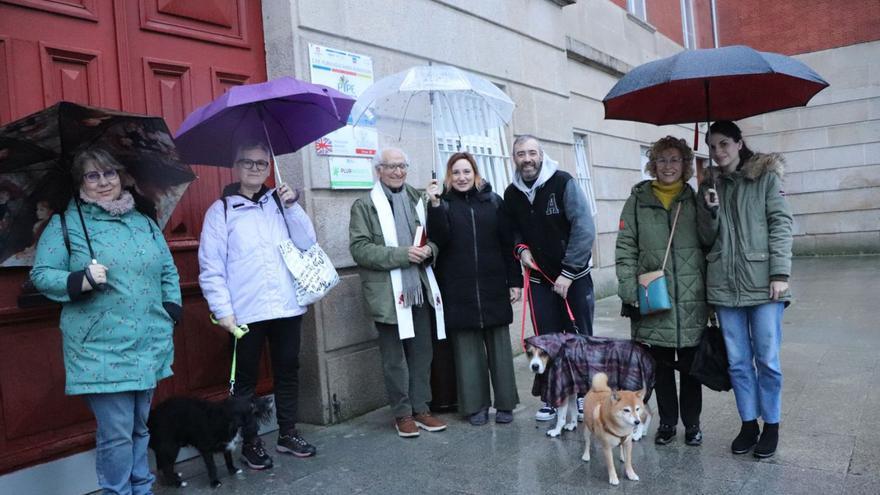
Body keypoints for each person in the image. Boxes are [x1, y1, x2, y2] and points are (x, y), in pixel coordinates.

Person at [31, 148, 182, 495]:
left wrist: (171, 308)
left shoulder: (144, 222)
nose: (103, 182)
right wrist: (80, 280)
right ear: (80, 182)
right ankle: (118, 491)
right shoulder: (66, 224)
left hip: (148, 339)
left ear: (122, 176)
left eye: (109, 173)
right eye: (93, 175)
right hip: (99, 345)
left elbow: (168, 269)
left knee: (140, 427)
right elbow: (42, 274)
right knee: (116, 431)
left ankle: (141, 488)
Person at [198, 141, 318, 470]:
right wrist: (223, 310)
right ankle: (251, 440)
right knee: (245, 382)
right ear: (235, 166)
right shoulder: (220, 211)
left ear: (269, 167)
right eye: (247, 162)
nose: (254, 168)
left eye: (261, 164)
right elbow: (211, 268)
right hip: (245, 312)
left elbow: (308, 243)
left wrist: (293, 206)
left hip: (286, 307)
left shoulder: (280, 204)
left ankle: (288, 432)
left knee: (288, 371)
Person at [699, 120, 793, 459]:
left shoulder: (766, 178)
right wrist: (709, 211)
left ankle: (772, 425)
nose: (718, 152)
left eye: (724, 143)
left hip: (764, 282)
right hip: (725, 285)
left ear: (740, 143)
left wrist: (780, 272)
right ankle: (748, 423)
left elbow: (781, 224)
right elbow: (706, 239)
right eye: (712, 146)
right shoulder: (710, 186)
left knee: (767, 359)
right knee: (738, 362)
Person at [349, 147, 448, 438]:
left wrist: (430, 250)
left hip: (419, 288)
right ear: (378, 170)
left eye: (402, 166)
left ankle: (422, 409)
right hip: (387, 294)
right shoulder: (364, 205)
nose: (398, 171)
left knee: (422, 352)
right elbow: (360, 249)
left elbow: (435, 238)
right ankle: (402, 413)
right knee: (394, 358)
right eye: (391, 166)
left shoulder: (419, 199)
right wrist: (404, 255)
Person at [615, 136, 709, 446]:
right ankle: (667, 423)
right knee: (662, 369)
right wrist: (629, 290)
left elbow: (711, 242)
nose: (668, 166)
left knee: (692, 369)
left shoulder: (695, 199)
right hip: (654, 297)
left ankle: (692, 425)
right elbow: (625, 247)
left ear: (685, 165)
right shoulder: (637, 200)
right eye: (662, 160)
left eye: (675, 160)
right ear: (653, 165)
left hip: (692, 298)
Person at [503, 134, 596, 422]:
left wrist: (568, 273)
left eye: (532, 152)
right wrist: (521, 250)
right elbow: (511, 230)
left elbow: (584, 227)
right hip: (539, 279)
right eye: (521, 154)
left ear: (541, 155)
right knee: (546, 341)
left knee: (577, 338)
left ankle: (582, 396)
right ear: (514, 158)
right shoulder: (512, 193)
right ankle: (553, 397)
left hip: (574, 277)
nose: (527, 159)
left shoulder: (563, 182)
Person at [425, 152, 522, 426]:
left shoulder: (493, 202)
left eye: (466, 171)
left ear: (476, 173)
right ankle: (475, 405)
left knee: (500, 350)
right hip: (458, 289)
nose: (462, 177)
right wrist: (434, 204)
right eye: (456, 172)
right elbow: (438, 239)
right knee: (467, 352)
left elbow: (507, 244)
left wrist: (515, 281)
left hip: (493, 285)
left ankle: (505, 403)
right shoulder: (442, 204)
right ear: (448, 176)